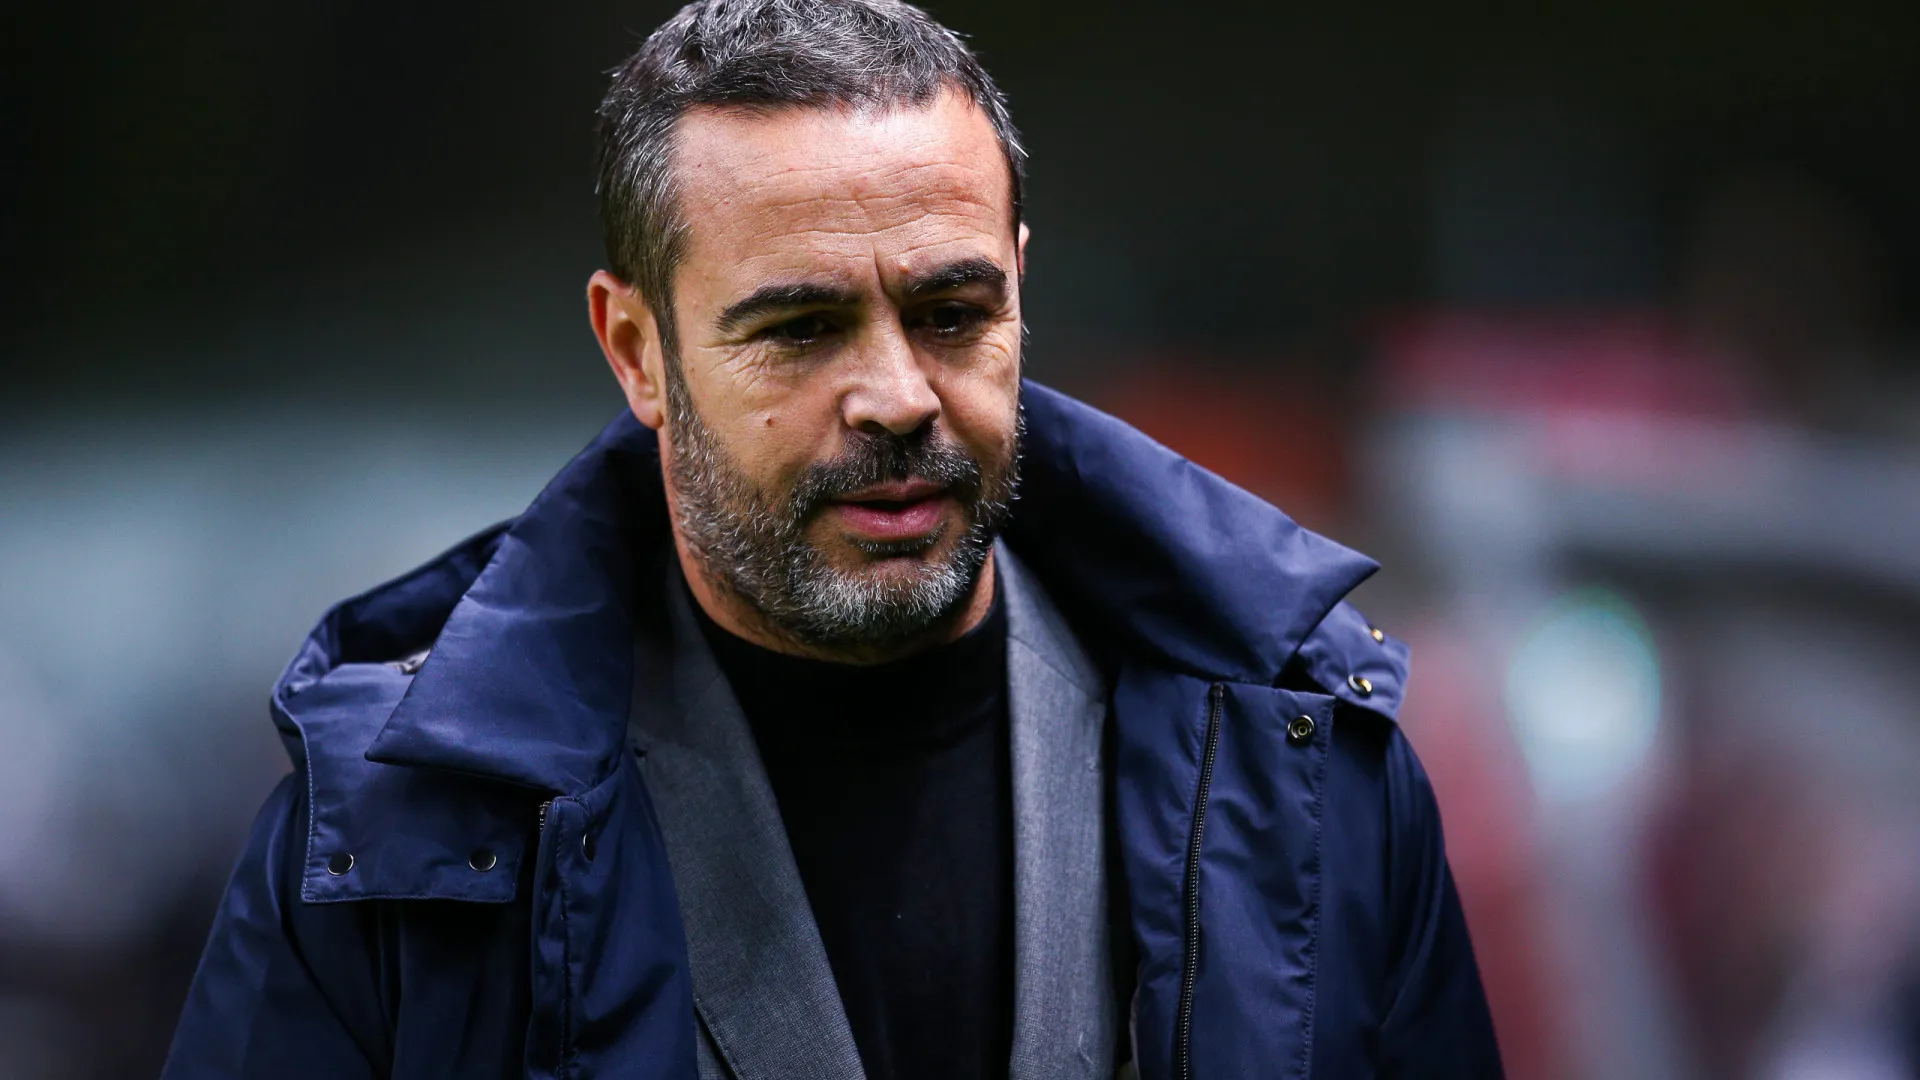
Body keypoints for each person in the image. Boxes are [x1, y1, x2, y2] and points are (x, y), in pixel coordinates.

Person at [162, 1, 1501, 1077]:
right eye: (801, 329)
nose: (898, 395)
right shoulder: (393, 849)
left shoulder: (1311, 773)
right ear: (637, 349)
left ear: (1020, 285)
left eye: (954, 313)